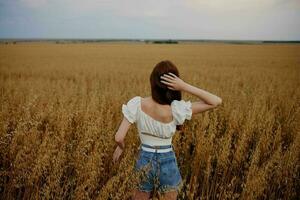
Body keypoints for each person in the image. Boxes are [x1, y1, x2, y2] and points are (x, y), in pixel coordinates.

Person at [113, 60, 222, 200]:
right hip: (167, 160)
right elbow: (216, 101)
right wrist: (184, 86)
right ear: (173, 87)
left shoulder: (137, 104)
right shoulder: (177, 109)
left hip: (144, 159)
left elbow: (118, 137)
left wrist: (120, 148)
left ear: (152, 82)